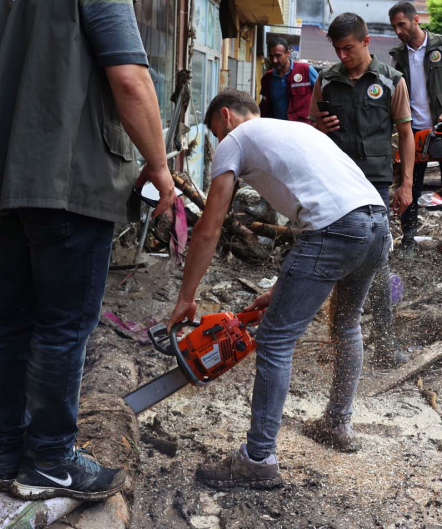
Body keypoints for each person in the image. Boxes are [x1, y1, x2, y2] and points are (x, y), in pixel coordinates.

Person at [0, 0, 174, 501]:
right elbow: (128, 79)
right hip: (70, 185)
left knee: (9, 321)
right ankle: (49, 461)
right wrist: (158, 165)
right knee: (62, 328)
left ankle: (6, 453)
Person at [167, 89, 390, 488]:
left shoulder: (236, 139)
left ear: (227, 117)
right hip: (375, 223)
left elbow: (210, 226)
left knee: (274, 341)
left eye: (216, 132)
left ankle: (258, 459)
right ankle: (338, 424)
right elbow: (336, 211)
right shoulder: (294, 130)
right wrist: (286, 290)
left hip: (335, 229)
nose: (219, 142)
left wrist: (186, 297)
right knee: (347, 325)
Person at [309, 13, 415, 366]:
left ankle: (384, 343)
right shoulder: (325, 81)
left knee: (378, 258)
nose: (343, 55)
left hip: (375, 182)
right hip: (334, 180)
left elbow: (406, 135)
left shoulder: (390, 81)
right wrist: (319, 125)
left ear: (367, 43)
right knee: (329, 252)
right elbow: (311, 130)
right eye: (337, 49)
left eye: (349, 48)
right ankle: (337, 337)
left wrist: (407, 184)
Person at [388, 1, 442, 258]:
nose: (398, 31)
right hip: (413, 131)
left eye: (401, 24)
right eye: (394, 27)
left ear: (416, 21)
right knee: (409, 187)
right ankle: (408, 241)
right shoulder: (398, 55)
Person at [258, 36, 318, 122]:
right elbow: (264, 104)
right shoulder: (267, 78)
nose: (274, 60)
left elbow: (322, 95)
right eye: (271, 56)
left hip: (303, 128)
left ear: (288, 53)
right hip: (278, 128)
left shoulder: (306, 70)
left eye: (278, 56)